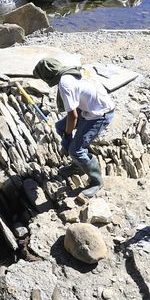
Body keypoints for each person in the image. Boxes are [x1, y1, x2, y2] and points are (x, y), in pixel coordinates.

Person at [34, 57, 114, 197]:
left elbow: (73, 116)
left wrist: (67, 135)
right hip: (90, 109)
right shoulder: (71, 71)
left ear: (48, 76)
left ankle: (96, 181)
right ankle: (78, 165)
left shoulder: (65, 84)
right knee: (60, 127)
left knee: (76, 150)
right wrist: (66, 132)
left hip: (99, 114)